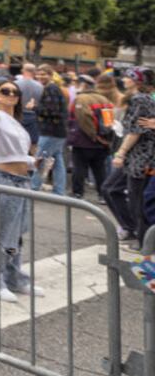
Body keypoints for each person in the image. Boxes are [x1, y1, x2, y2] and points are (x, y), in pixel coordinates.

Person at [0, 79, 44, 302]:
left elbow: (17, 154)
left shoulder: (15, 122)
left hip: (22, 181)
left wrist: (34, 162)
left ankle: (13, 277)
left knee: (15, 237)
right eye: (5, 91)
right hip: (5, 181)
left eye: (15, 92)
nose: (11, 94)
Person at [70, 76, 131, 234]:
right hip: (102, 143)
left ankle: (78, 193)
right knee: (100, 170)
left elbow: (84, 119)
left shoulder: (82, 99)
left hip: (84, 141)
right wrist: (105, 138)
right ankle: (101, 195)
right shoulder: (105, 100)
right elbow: (110, 122)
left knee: (80, 167)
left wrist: (93, 135)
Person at [112, 68, 155, 244]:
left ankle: (144, 241)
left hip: (142, 157)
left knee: (141, 200)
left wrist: (120, 153)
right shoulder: (140, 98)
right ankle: (140, 237)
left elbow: (136, 130)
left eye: (128, 77)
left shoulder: (140, 99)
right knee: (141, 199)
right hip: (141, 156)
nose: (124, 79)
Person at [32, 66, 69, 196]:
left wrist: (34, 107)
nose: (40, 77)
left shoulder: (50, 89)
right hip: (59, 131)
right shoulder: (54, 88)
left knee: (40, 159)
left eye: (43, 74)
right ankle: (59, 190)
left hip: (51, 131)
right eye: (38, 74)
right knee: (58, 161)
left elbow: (51, 111)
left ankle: (33, 187)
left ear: (50, 74)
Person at [14, 62, 43, 153]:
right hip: (34, 117)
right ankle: (33, 165)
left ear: (23, 70)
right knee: (33, 144)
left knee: (17, 143)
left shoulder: (15, 84)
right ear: (34, 72)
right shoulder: (41, 86)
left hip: (18, 116)